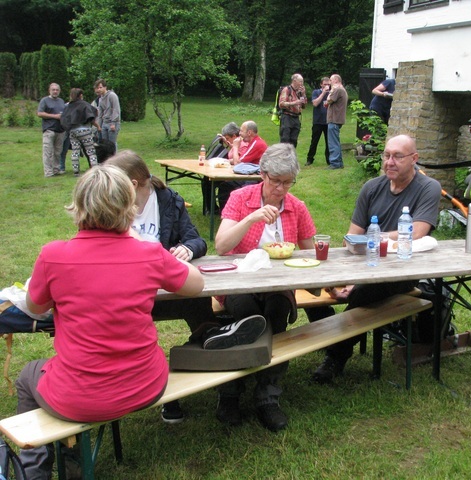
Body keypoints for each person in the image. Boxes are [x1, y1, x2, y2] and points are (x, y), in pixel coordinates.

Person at [16, 165, 204, 479]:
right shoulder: (149, 253)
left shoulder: (54, 255)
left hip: (78, 396)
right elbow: (196, 284)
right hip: (145, 384)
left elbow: (34, 306)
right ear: (128, 207)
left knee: (27, 376)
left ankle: (35, 470)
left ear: (78, 206)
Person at [309, 135, 441, 383]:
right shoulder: (372, 187)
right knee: (312, 290)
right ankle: (331, 339)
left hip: (402, 270)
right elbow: (351, 238)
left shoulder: (428, 187)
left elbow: (418, 231)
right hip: (366, 266)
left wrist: (372, 241)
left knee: (362, 295)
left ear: (414, 159)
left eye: (397, 156)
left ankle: (336, 355)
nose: (390, 162)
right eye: (386, 155)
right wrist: (344, 278)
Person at [105, 150, 215, 423]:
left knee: (201, 307)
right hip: (127, 296)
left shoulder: (168, 200)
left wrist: (187, 250)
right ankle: (155, 388)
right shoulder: (109, 204)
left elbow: (197, 241)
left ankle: (216, 374)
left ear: (131, 184)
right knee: (126, 338)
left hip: (168, 289)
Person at [215, 143, 317, 431]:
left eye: (287, 183)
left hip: (278, 284)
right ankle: (230, 392)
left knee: (277, 311)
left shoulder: (296, 207)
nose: (281, 190)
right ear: (262, 174)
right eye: (276, 182)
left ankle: (267, 396)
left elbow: (310, 254)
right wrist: (251, 218)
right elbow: (222, 246)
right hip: (240, 283)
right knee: (247, 316)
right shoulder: (241, 198)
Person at [217, 120, 268, 211]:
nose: (239, 134)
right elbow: (241, 161)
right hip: (250, 174)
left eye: (241, 131)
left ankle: (230, 212)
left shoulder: (257, 144)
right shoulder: (253, 143)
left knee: (227, 186)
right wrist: (224, 161)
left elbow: (238, 164)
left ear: (249, 132)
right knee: (224, 185)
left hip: (256, 178)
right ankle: (226, 212)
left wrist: (236, 146)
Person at [202, 122, 241, 215]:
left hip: (239, 176)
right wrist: (226, 141)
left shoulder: (242, 144)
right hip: (229, 171)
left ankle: (224, 212)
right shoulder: (236, 144)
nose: (227, 141)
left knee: (223, 185)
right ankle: (212, 209)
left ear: (234, 136)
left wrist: (226, 161)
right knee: (206, 180)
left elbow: (238, 161)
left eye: (228, 138)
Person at [60, 88, 100, 176]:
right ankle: (95, 170)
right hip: (85, 130)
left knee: (75, 151)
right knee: (90, 150)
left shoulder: (68, 106)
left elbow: (63, 119)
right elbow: (92, 116)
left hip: (73, 131)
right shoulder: (84, 105)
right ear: (81, 95)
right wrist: (98, 126)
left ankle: (76, 172)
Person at [37, 83, 66, 177]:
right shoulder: (45, 100)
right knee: (48, 152)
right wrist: (54, 116)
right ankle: (48, 172)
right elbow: (40, 113)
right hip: (49, 129)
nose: (55, 91)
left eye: (57, 90)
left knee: (58, 152)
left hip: (60, 130)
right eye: (53, 89)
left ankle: (56, 169)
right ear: (49, 90)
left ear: (59, 91)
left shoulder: (61, 101)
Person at [305, 77, 331, 166]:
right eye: (325, 84)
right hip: (318, 121)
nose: (327, 86)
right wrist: (323, 93)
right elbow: (315, 103)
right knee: (314, 141)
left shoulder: (331, 93)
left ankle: (329, 159)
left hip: (328, 121)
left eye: (328, 84)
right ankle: (310, 159)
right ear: (321, 84)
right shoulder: (316, 92)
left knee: (329, 142)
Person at [326, 74, 348, 170]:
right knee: (336, 142)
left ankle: (335, 163)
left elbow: (329, 100)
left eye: (330, 80)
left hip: (334, 119)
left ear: (335, 80)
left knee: (333, 142)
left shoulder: (337, 89)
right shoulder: (342, 90)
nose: (329, 83)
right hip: (338, 119)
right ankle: (339, 162)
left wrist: (331, 91)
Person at [278, 73, 307, 147]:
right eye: (300, 81)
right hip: (287, 116)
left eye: (302, 82)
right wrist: (294, 103)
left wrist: (303, 94)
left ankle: (292, 156)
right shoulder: (287, 90)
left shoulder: (300, 92)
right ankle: (283, 157)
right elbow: (281, 104)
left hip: (296, 118)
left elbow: (304, 105)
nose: (301, 84)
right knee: (285, 139)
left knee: (294, 140)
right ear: (294, 81)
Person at [94, 79, 121, 150]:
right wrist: (98, 125)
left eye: (100, 87)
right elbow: (100, 113)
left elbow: (116, 109)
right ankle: (107, 159)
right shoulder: (100, 99)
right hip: (104, 123)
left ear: (105, 87)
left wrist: (113, 123)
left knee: (112, 143)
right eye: (97, 88)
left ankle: (115, 158)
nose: (99, 89)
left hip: (113, 123)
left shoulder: (112, 95)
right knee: (105, 144)